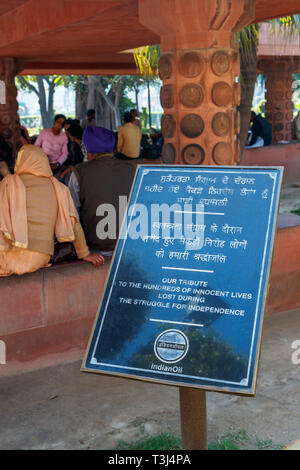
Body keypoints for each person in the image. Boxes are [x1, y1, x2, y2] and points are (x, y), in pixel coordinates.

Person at [0, 145, 104, 276]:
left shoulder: (8, 183)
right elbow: (75, 224)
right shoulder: (59, 188)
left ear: (21, 161)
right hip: (40, 258)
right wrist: (85, 253)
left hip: (8, 257)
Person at [68, 126, 136, 253]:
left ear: (88, 149)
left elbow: (72, 213)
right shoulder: (130, 169)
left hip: (97, 246)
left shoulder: (79, 172)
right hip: (130, 242)